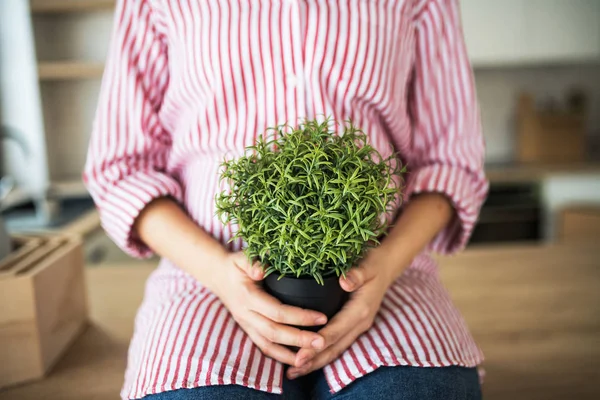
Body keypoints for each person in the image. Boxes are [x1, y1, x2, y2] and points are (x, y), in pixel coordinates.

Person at [84, 0, 488, 399]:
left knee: (417, 392)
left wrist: (383, 266)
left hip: (382, 268)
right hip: (204, 275)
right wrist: (220, 272)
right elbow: (124, 167)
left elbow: (449, 159)